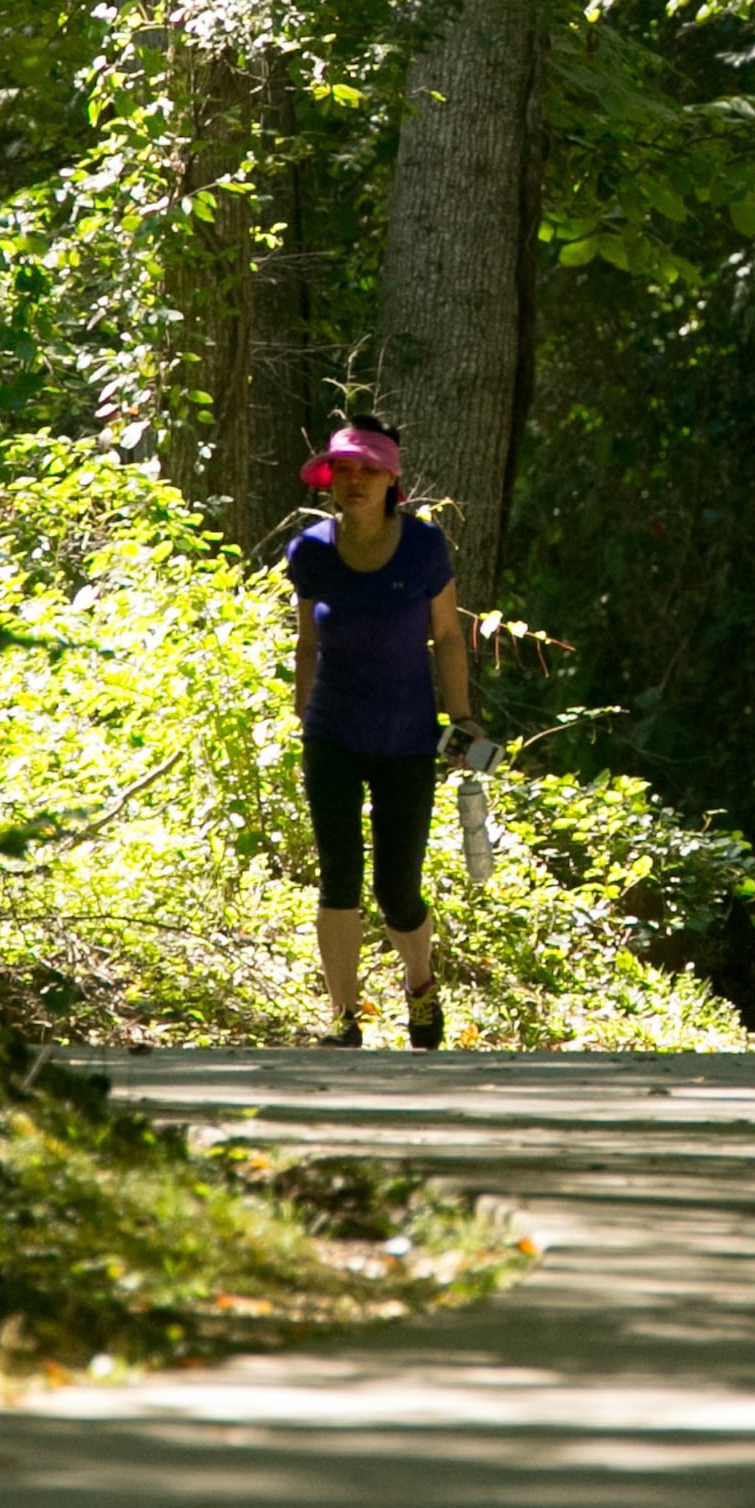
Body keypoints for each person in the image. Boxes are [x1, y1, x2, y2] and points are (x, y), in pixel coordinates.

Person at [283, 418, 484, 1048]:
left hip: (406, 739)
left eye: (368, 469)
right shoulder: (311, 550)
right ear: (330, 480)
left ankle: (419, 986)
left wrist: (463, 719)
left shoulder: (424, 548)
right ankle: (344, 1018)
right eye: (343, 469)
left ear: (392, 477)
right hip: (333, 735)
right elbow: (307, 641)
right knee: (338, 874)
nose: (354, 481)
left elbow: (448, 637)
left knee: (398, 888)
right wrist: (303, 710)